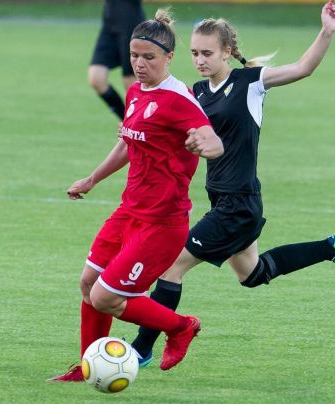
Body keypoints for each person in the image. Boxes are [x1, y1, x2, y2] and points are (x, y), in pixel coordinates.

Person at [130, 0, 335, 367]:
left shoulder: (250, 82)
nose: (200, 60)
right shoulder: (197, 93)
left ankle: (142, 348)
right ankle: (332, 247)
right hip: (223, 201)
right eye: (194, 53)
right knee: (253, 275)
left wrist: (327, 31)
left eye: (207, 53)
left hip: (239, 203)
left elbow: (302, 68)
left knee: (171, 266)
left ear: (227, 52)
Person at [49, 9, 225, 382]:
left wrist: (209, 145)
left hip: (162, 223)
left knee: (105, 298)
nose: (139, 64)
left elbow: (208, 135)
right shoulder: (135, 92)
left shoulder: (179, 100)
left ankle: (181, 326)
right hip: (129, 212)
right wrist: (92, 179)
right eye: (134, 56)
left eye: (149, 57)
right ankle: (88, 366)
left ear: (169, 58)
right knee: (87, 283)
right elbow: (129, 144)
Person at [88, 0, 145, 120]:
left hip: (130, 22)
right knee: (96, 78)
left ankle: (141, 130)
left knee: (131, 83)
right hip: (109, 22)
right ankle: (127, 123)